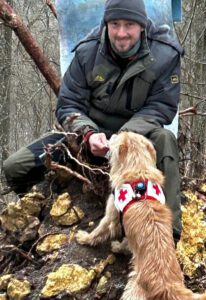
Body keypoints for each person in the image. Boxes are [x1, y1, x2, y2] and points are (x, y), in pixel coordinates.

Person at [3, 0, 183, 242]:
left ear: (141, 25)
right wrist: (87, 133)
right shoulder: (88, 52)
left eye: (129, 25)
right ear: (106, 23)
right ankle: (45, 211)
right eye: (114, 24)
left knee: (166, 140)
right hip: (89, 134)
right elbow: (68, 104)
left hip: (138, 137)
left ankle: (168, 236)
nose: (121, 33)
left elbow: (162, 107)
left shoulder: (165, 53)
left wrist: (124, 136)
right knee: (15, 167)